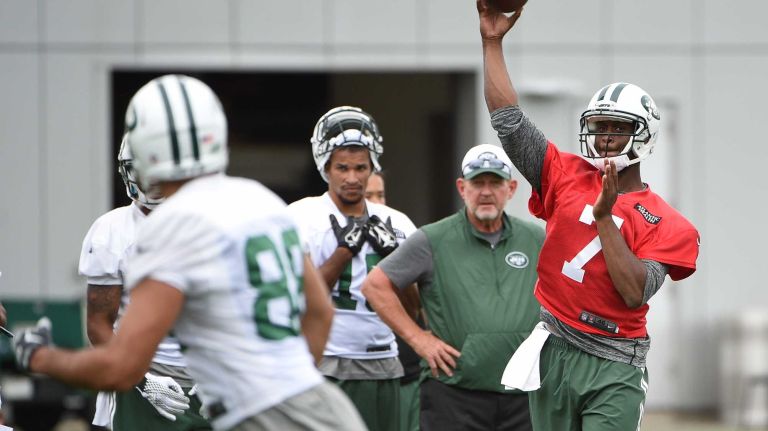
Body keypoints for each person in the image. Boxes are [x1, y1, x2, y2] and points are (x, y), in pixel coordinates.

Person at [13, 74, 365, 431]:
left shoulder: (174, 225)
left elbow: (121, 367)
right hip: (323, 406)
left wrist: (43, 357)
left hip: (261, 418)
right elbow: (320, 314)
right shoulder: (260, 199)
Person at [477, 1, 701, 430]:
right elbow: (507, 120)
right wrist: (492, 42)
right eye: (599, 127)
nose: (605, 138)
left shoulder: (670, 224)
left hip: (614, 361)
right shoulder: (564, 173)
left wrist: (603, 218)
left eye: (617, 127)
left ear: (644, 133)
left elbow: (635, 292)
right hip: (555, 344)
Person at [362, 143, 544, 431]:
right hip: (453, 394)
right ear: (462, 188)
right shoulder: (432, 239)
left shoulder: (536, 238)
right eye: (477, 182)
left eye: (495, 182)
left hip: (524, 396)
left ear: (510, 189)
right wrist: (419, 339)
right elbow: (375, 286)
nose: (486, 191)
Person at [287, 106, 417, 431]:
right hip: (327, 361)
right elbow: (299, 298)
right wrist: (342, 253)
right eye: (342, 167)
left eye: (361, 168)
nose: (352, 178)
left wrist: (395, 261)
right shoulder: (303, 218)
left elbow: (416, 308)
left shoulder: (397, 223)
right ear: (325, 167)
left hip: (385, 362)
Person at [78, 135, 210, 430]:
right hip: (144, 375)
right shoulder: (113, 230)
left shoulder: (211, 225)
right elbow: (98, 324)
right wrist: (141, 380)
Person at [364, 171, 422, 431]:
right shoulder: (329, 236)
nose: (377, 204)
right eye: (368, 197)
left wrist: (395, 257)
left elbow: (418, 308)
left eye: (381, 195)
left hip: (402, 364)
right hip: (352, 364)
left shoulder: (401, 229)